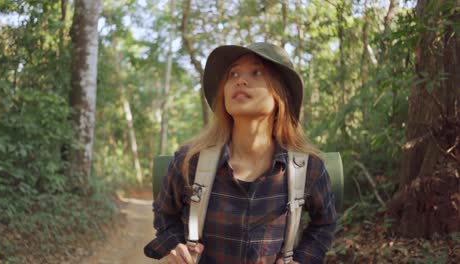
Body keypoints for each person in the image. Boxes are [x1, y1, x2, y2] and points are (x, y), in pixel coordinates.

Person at [144, 42, 337, 264]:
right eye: (233, 73)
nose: (240, 80)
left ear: (279, 94)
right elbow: (164, 213)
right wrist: (175, 245)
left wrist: (303, 259)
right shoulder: (190, 162)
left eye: (257, 72)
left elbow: (325, 223)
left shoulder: (307, 168)